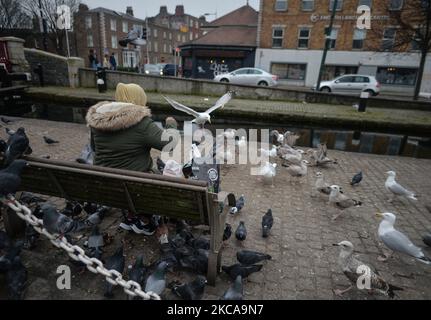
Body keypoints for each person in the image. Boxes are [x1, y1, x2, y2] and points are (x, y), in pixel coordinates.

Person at [86, 83, 178, 237]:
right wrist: (171, 126)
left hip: (105, 184)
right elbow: (169, 144)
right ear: (138, 100)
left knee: (128, 177)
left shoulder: (97, 121)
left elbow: (94, 148)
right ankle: (144, 221)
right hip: (136, 187)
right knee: (153, 176)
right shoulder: (141, 122)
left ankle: (131, 216)